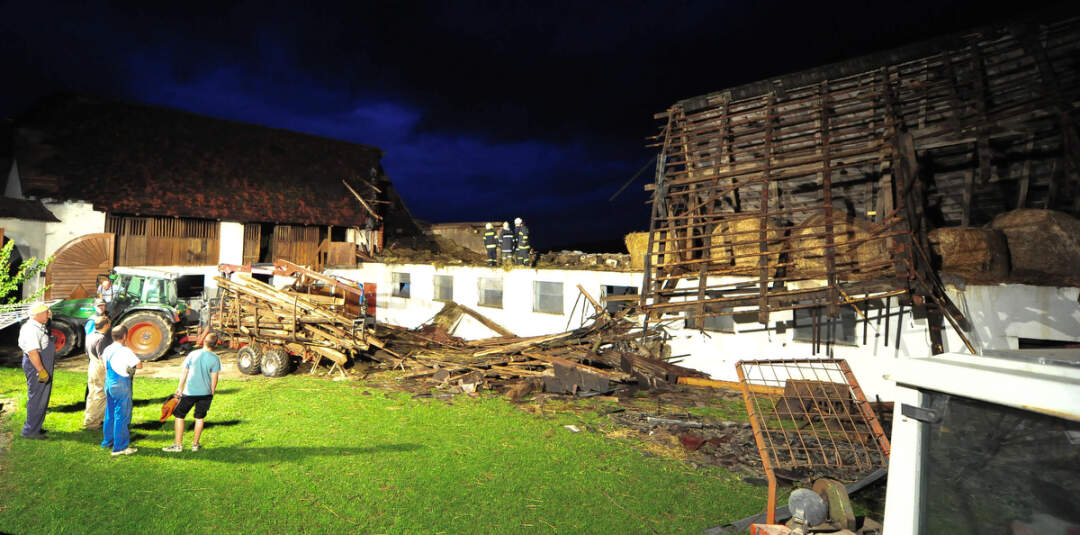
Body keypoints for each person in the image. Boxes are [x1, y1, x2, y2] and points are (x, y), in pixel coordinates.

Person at [163, 333, 222, 453]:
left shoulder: (192, 354)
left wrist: (180, 387)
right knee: (199, 418)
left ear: (204, 341)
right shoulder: (215, 359)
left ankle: (178, 445)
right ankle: (195, 445)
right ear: (215, 345)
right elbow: (214, 378)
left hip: (189, 392)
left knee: (179, 416)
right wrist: (212, 392)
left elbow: (185, 372)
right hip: (205, 393)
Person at [101, 325, 142, 456]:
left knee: (110, 413)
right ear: (125, 336)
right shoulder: (125, 351)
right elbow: (139, 365)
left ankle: (108, 441)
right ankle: (120, 448)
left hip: (109, 383)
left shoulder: (107, 349)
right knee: (122, 416)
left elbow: (104, 365)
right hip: (121, 385)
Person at [18, 302, 54, 440]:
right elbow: (33, 353)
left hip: (39, 363)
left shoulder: (37, 326)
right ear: (37, 315)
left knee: (41, 397)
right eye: (46, 312)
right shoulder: (30, 330)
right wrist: (41, 370)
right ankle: (30, 431)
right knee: (37, 398)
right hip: (37, 366)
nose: (48, 314)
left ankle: (35, 426)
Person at [83, 315, 111, 430]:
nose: (110, 326)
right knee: (100, 395)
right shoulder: (102, 338)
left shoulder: (90, 335)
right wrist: (108, 371)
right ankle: (94, 422)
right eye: (109, 324)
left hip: (92, 365)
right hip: (99, 367)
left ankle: (89, 419)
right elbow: (103, 357)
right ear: (105, 325)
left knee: (92, 394)